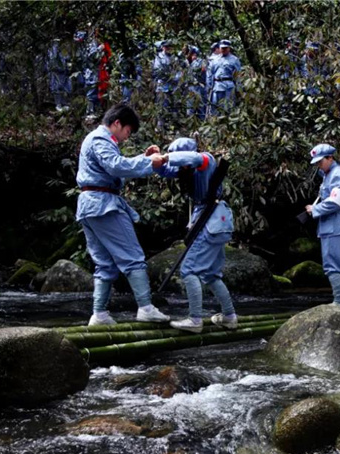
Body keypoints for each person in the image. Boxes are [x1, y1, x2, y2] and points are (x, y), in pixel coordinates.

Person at [76, 104, 171, 326]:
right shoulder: (100, 139)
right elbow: (115, 166)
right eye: (128, 131)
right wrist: (150, 162)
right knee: (133, 256)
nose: (127, 137)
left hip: (90, 206)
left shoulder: (96, 140)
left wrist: (143, 157)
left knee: (105, 263)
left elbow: (113, 167)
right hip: (103, 205)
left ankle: (99, 314)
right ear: (117, 123)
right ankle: (146, 307)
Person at [153, 138, 239, 332]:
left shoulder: (203, 160)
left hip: (210, 222)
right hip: (218, 222)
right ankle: (229, 316)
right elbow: (166, 170)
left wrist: (167, 156)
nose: (181, 167)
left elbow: (194, 158)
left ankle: (195, 320)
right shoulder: (187, 169)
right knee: (211, 275)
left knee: (189, 270)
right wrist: (156, 160)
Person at [306, 144, 340, 309]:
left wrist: (315, 209)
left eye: (320, 162)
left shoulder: (337, 174)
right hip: (337, 224)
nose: (318, 165)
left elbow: (336, 202)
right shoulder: (329, 174)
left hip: (336, 225)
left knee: (333, 265)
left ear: (330, 158)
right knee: (338, 264)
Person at [152, 40, 184, 129]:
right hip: (163, 86)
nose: (168, 49)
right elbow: (158, 71)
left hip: (174, 86)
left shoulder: (175, 58)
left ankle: (173, 126)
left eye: (170, 47)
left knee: (175, 106)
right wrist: (170, 77)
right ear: (163, 47)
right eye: (166, 47)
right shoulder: (159, 57)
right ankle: (161, 127)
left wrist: (176, 78)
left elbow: (179, 70)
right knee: (162, 106)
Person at [207, 39, 242, 116]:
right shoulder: (214, 59)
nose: (223, 50)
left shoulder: (234, 59)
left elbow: (238, 75)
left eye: (225, 48)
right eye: (222, 48)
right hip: (216, 87)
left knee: (229, 109)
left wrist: (239, 90)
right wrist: (208, 87)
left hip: (228, 87)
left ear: (229, 48)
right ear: (219, 48)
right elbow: (209, 73)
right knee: (215, 109)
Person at [47, 38, 72, 112]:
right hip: (56, 72)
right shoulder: (52, 50)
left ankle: (64, 103)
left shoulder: (63, 50)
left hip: (64, 71)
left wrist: (68, 67)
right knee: (56, 88)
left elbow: (67, 58)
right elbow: (52, 60)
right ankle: (58, 104)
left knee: (66, 87)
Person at [185, 45, 208, 120]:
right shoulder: (186, 62)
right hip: (189, 88)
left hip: (198, 87)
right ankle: (191, 127)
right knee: (190, 108)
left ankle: (201, 126)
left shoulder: (201, 61)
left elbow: (204, 69)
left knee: (200, 108)